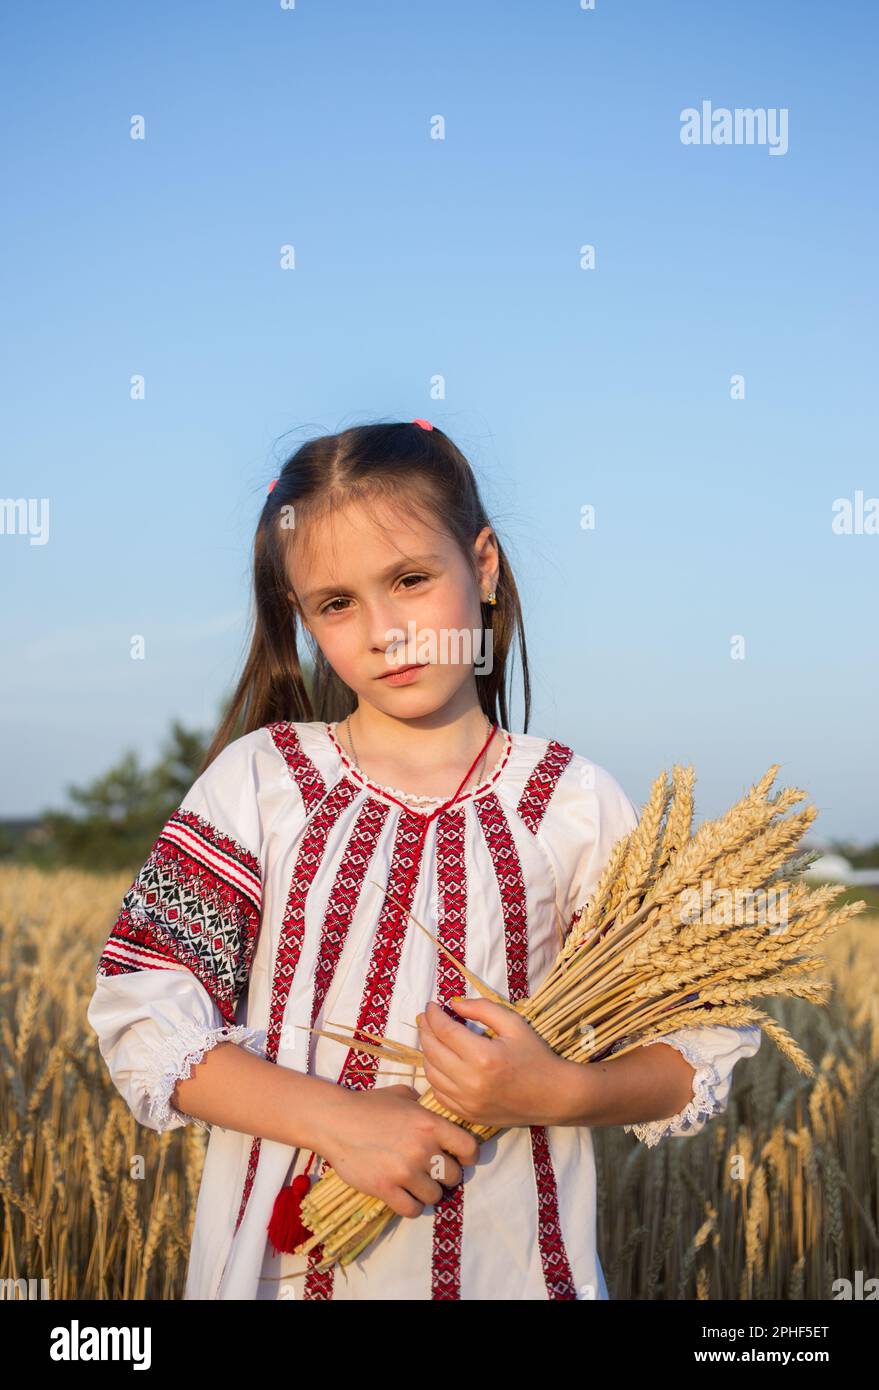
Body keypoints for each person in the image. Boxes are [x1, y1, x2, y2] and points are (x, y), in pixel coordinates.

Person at [86, 419, 761, 1300]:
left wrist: (550, 1094)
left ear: (480, 567)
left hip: (514, 1268)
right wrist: (338, 1122)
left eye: (409, 580)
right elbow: (144, 1012)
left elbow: (691, 1047)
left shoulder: (574, 804)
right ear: (303, 619)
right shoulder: (260, 782)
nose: (383, 630)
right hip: (279, 1274)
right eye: (336, 604)